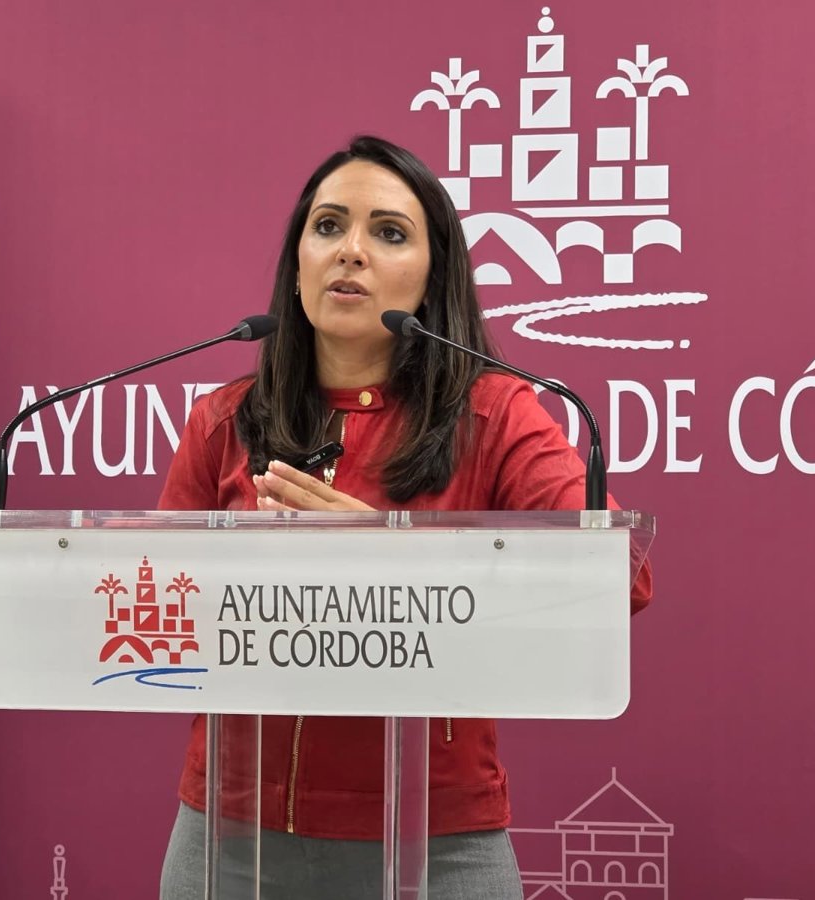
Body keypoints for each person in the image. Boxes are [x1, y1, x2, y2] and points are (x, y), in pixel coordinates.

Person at [157, 135, 653, 899]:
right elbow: (158, 598)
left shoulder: (495, 414)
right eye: (328, 226)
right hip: (229, 836)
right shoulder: (224, 420)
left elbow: (618, 572)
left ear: (431, 278)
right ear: (297, 265)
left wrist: (393, 559)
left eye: (389, 233)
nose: (350, 251)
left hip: (435, 841)